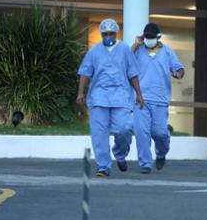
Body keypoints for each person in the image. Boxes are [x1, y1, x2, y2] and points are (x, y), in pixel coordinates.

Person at [77, 19, 144, 177]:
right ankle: (103, 166)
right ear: (101, 35)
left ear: (116, 33)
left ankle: (120, 154)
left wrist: (139, 95)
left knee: (124, 128)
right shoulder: (94, 51)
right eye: (105, 34)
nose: (108, 36)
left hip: (121, 96)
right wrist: (81, 92)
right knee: (99, 133)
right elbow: (85, 72)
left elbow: (132, 73)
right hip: (98, 97)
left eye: (111, 33)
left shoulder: (125, 50)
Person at [131, 22, 184, 174]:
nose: (149, 39)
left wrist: (178, 73)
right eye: (146, 37)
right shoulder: (138, 51)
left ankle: (161, 153)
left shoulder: (167, 52)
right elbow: (125, 60)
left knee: (159, 133)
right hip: (141, 100)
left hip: (160, 100)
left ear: (158, 37)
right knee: (141, 132)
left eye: (151, 37)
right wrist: (136, 43)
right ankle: (145, 163)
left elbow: (178, 67)